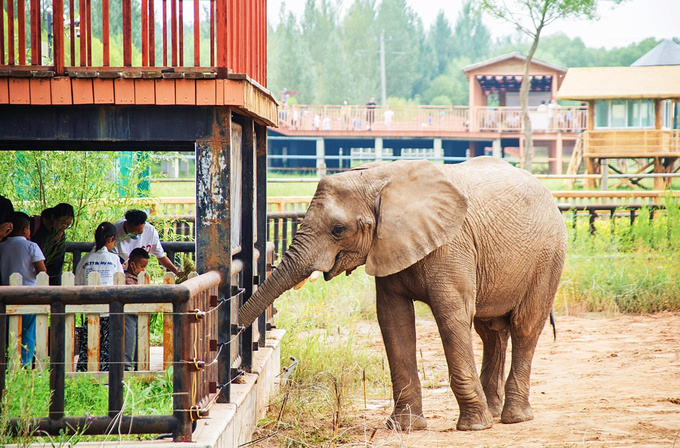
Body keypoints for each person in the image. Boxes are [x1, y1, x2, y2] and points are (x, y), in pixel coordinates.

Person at [75, 222, 124, 372]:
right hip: (109, 309)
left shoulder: (85, 259)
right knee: (107, 345)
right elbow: (120, 283)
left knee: (89, 343)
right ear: (110, 239)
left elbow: (77, 283)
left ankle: (85, 371)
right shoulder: (115, 260)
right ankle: (106, 372)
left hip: (89, 308)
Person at [0, 212, 46, 367]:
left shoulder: (2, 246)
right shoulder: (31, 246)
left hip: (7, 295)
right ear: (26, 229)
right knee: (27, 333)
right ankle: (24, 365)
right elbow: (42, 272)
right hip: (29, 295)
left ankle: (9, 363)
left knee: (9, 332)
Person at [112, 209, 179, 275]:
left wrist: (176, 271)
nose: (136, 235)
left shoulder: (150, 231)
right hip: (118, 272)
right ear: (126, 224)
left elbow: (160, 256)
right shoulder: (115, 231)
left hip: (139, 273)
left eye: (139, 232)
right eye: (133, 232)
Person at [31, 203, 74, 285]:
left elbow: (57, 266)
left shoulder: (60, 235)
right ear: (53, 217)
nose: (64, 227)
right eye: (62, 223)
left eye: (68, 225)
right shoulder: (34, 225)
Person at [123, 248, 150, 371]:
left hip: (139, 313)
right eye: (142, 266)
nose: (144, 270)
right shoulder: (124, 278)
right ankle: (126, 366)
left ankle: (139, 365)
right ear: (132, 264)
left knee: (139, 340)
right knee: (129, 339)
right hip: (128, 313)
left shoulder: (142, 279)